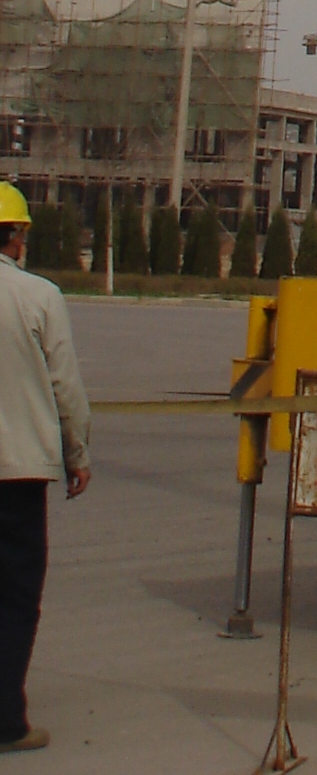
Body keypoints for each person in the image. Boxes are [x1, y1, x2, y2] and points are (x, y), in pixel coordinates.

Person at [0, 185, 90, 754]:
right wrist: (77, 454)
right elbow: (65, 388)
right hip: (18, 474)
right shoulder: (38, 296)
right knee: (13, 596)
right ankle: (6, 720)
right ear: (14, 236)